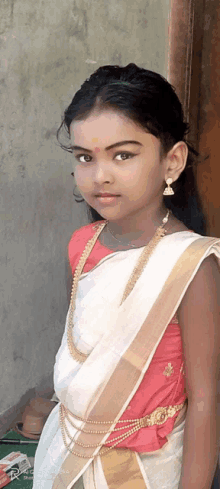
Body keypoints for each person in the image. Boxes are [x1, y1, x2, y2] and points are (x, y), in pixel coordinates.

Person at [32, 63, 220, 489]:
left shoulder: (191, 264)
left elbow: (206, 400)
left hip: (146, 472)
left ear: (171, 161)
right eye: (85, 157)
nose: (99, 176)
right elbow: (85, 358)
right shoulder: (80, 246)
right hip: (64, 453)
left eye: (123, 155)